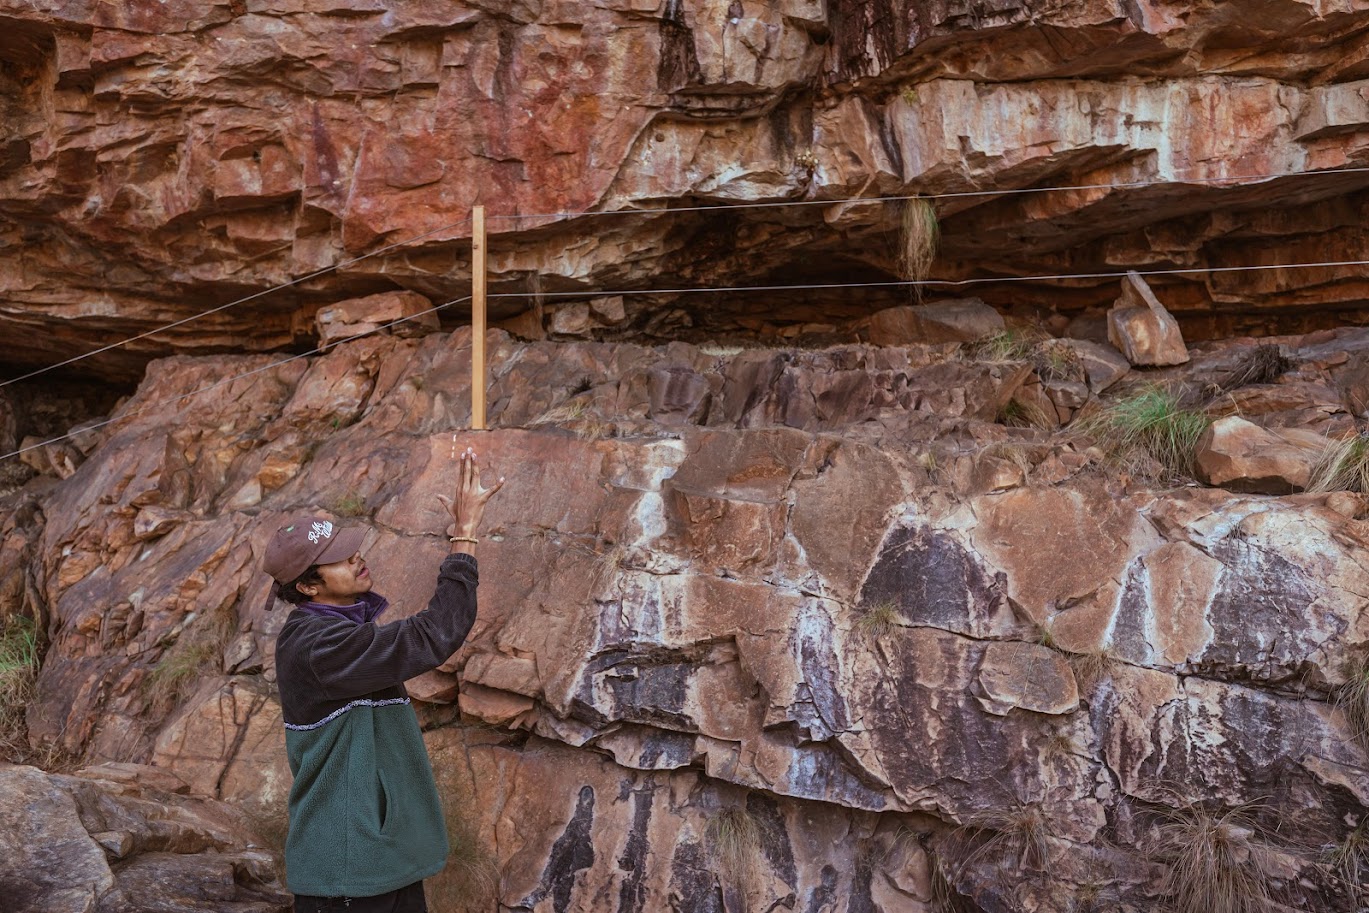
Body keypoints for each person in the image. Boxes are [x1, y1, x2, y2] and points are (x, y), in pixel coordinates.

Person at [261, 446, 503, 913]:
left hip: (379, 863)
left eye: (351, 549)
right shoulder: (317, 646)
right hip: (347, 875)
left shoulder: (335, 632)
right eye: (339, 558)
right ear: (308, 587)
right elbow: (433, 635)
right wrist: (464, 536)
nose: (356, 558)